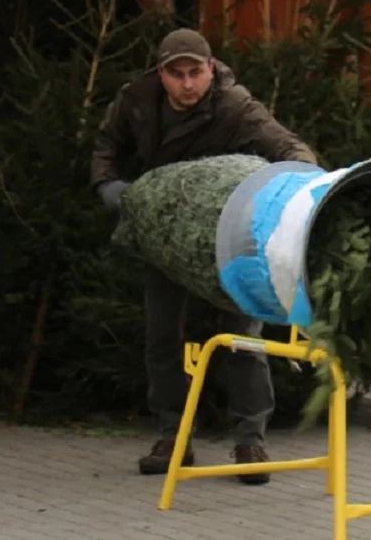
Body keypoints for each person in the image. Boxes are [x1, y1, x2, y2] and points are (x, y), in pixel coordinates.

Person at [90, 28, 317, 485]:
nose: (188, 84)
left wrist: (307, 188)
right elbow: (106, 145)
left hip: (227, 236)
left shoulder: (233, 105)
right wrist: (109, 186)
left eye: (196, 73)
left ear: (211, 69)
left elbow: (288, 146)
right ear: (162, 74)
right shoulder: (137, 100)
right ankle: (172, 436)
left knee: (243, 336)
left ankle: (250, 441)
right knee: (161, 336)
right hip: (165, 232)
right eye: (177, 75)